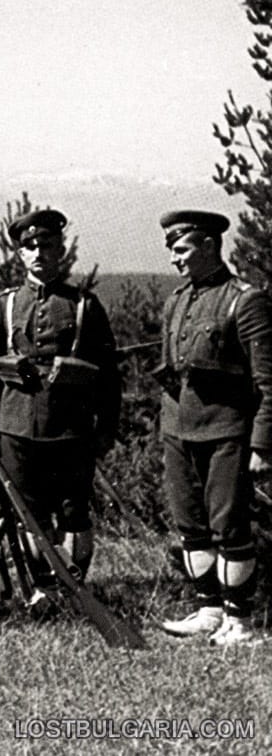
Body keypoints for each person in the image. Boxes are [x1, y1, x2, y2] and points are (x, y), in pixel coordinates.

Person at [0, 210, 120, 595]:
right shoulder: (4, 306)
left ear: (60, 250)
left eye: (46, 245)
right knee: (30, 515)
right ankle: (42, 588)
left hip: (70, 429)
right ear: (20, 254)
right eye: (29, 247)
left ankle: (74, 587)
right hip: (16, 428)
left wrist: (106, 429)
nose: (38, 252)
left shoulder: (84, 305)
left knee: (74, 512)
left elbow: (109, 376)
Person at [154, 210, 272, 646]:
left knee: (230, 529)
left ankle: (239, 623)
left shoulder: (245, 300)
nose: (174, 260)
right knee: (192, 526)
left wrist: (262, 444)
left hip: (227, 433)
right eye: (171, 251)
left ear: (208, 246)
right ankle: (209, 611)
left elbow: (268, 381)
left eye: (181, 249)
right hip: (179, 432)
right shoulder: (177, 301)